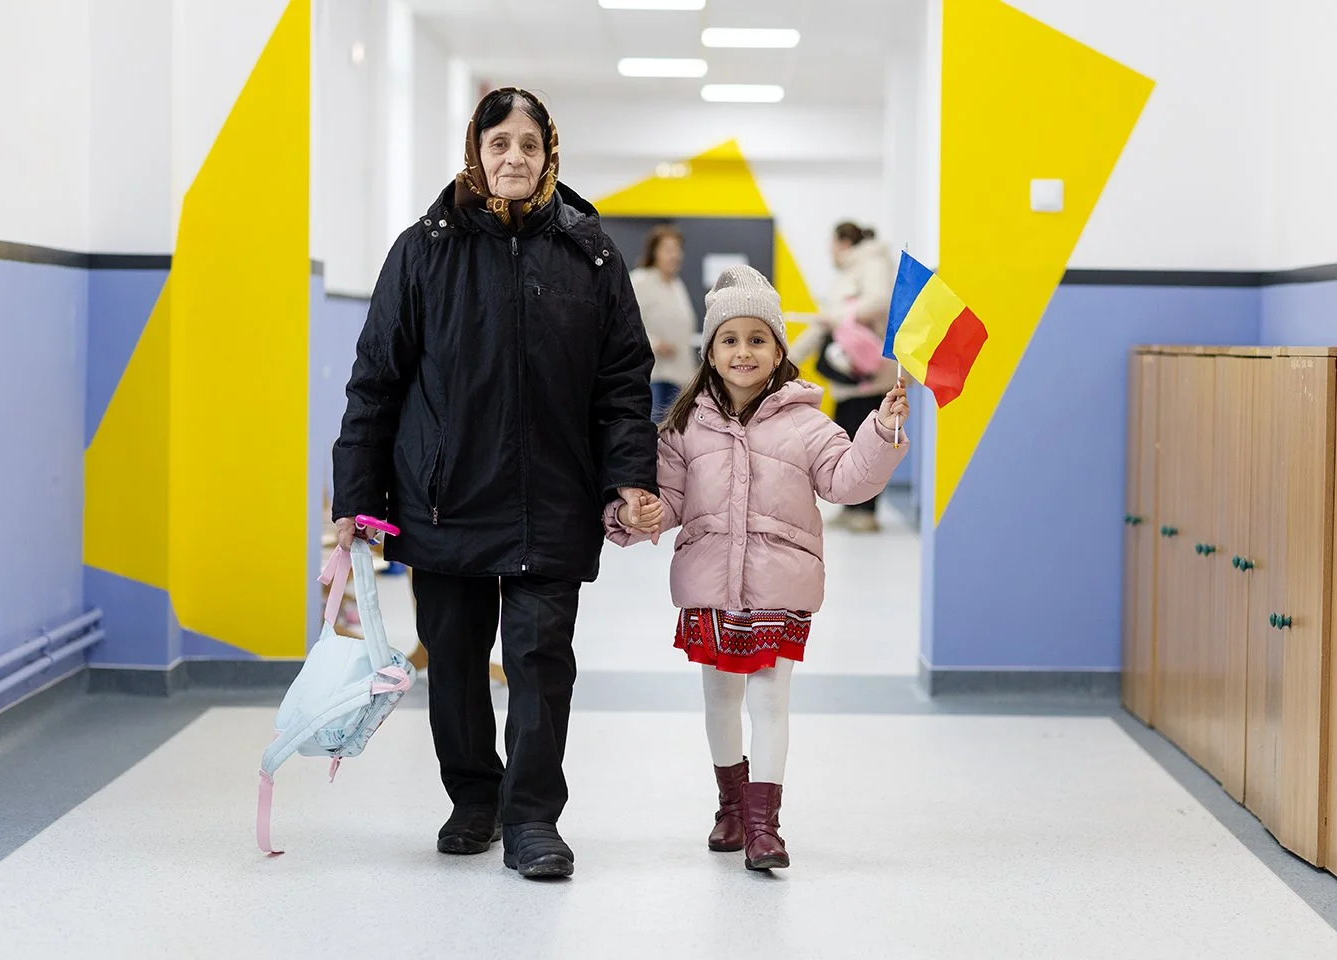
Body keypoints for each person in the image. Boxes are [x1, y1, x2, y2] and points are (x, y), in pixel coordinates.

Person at [330, 87, 658, 880]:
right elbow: (376, 380)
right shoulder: (423, 250)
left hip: (554, 496)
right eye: (499, 143)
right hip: (444, 499)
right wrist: (356, 500)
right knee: (453, 657)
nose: (514, 158)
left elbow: (622, 383)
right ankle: (474, 798)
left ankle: (533, 819)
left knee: (541, 660)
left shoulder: (591, 254)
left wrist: (627, 479)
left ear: (551, 155)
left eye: (529, 145)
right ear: (476, 151)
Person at [604, 265, 909, 871]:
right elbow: (669, 502)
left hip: (778, 586)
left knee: (769, 701)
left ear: (778, 350)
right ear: (711, 352)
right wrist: (634, 514)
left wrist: (880, 431)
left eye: (757, 339)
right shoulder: (685, 427)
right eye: (730, 339)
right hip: (711, 587)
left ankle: (765, 827)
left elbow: (847, 482)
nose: (743, 351)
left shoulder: (807, 423)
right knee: (721, 701)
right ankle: (732, 809)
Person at [789, 222, 898, 532]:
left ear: (844, 242)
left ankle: (867, 512)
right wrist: (788, 359)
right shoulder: (848, 273)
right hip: (848, 379)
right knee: (847, 441)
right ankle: (852, 506)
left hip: (870, 376)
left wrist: (839, 316)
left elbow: (878, 302)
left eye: (832, 244)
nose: (830, 251)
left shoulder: (873, 262)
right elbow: (825, 324)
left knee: (871, 443)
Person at [629, 225, 698, 423]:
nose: (674, 255)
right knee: (655, 432)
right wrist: (655, 343)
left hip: (680, 378)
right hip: (655, 377)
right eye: (668, 249)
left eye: (677, 249)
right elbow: (627, 324)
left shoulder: (676, 285)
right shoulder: (641, 281)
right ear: (654, 252)